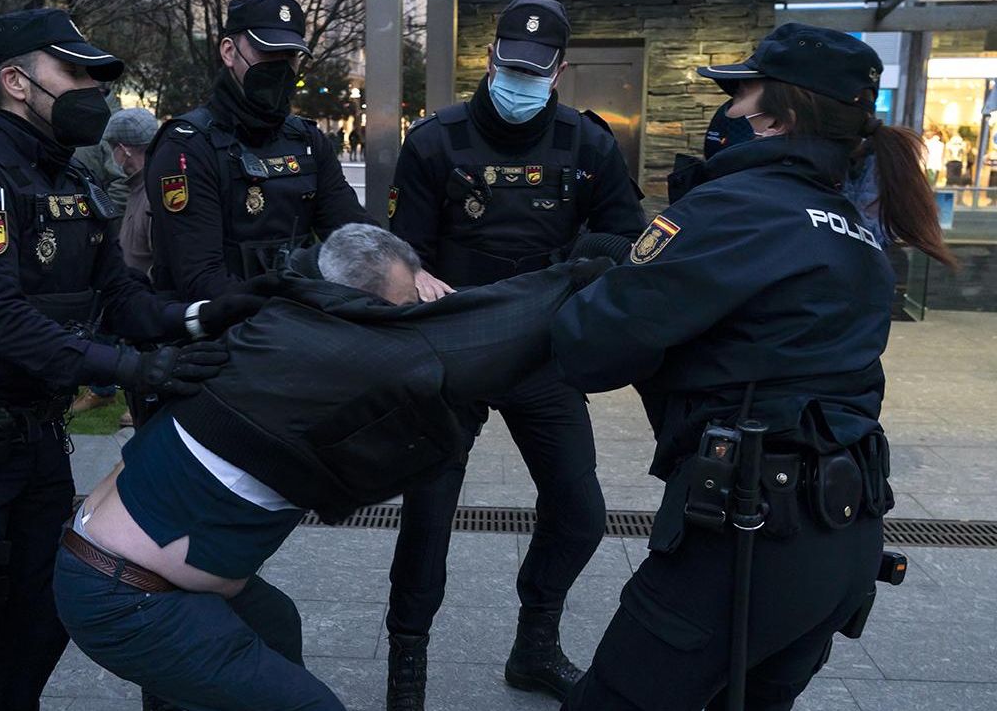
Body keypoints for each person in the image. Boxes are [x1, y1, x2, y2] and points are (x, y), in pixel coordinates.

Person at [552, 24, 958, 710]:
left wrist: (601, 281)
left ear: (777, 113)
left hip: (745, 542)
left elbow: (588, 350)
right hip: (841, 540)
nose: (730, 111)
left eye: (741, 94)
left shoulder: (733, 208)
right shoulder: (854, 232)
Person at [53, 223, 618, 711]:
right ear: (363, 312)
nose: (412, 319)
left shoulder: (283, 321)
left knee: (275, 627)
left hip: (111, 565)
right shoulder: (334, 362)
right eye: (403, 309)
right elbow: (489, 331)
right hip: (126, 597)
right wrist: (591, 270)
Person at [0, 9, 256, 711]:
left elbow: (120, 296)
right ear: (16, 81)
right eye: (77, 72)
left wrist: (204, 314)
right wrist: (128, 371)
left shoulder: (70, 182)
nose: (94, 89)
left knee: (38, 629)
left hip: (34, 441)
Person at [383, 0, 645, 708]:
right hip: (454, 355)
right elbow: (398, 252)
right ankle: (406, 666)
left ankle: (535, 645)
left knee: (580, 510)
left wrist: (590, 262)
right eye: (509, 65)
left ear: (559, 71)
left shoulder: (586, 144)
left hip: (541, 354)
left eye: (535, 70)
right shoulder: (436, 140)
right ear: (490, 58)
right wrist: (411, 275)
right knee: (428, 518)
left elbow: (628, 234)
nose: (519, 79)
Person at [144, 0, 370, 301]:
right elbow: (200, 278)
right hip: (220, 335)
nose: (279, 67)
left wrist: (403, 268)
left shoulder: (306, 140)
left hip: (299, 326)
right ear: (229, 52)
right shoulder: (187, 146)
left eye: (289, 56)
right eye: (268, 53)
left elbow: (353, 235)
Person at [69, 107, 161, 424]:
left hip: (146, 311)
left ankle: (144, 394)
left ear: (123, 150)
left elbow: (160, 266)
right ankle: (107, 388)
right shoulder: (138, 186)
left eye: (113, 150)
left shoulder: (155, 194)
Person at [72, 82, 129, 209]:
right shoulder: (77, 116)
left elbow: (122, 183)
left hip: (97, 217)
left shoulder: (117, 125)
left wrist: (105, 217)